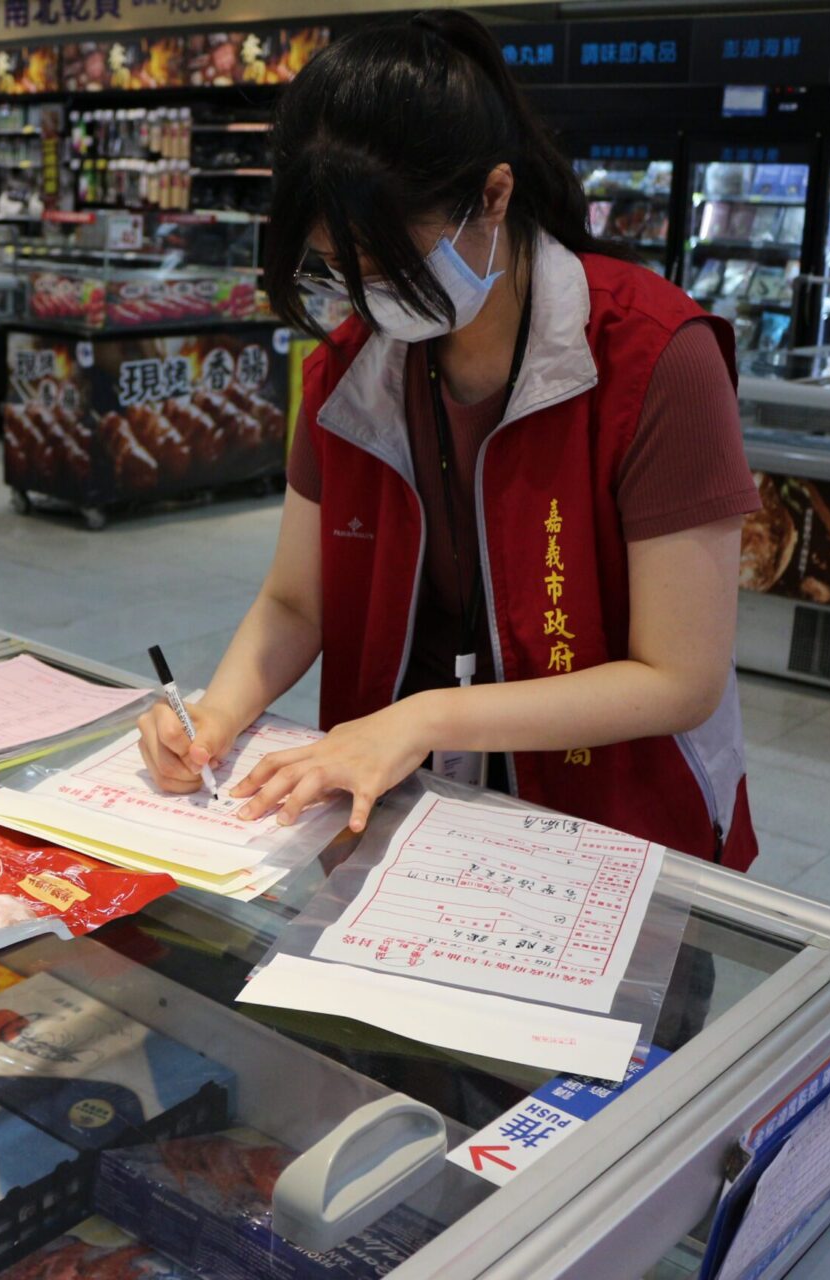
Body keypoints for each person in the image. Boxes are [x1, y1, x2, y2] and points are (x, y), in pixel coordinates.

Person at [136, 9, 762, 871]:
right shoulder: (350, 373)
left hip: (614, 831)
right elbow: (295, 602)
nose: (370, 298)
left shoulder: (655, 357)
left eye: (395, 264)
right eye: (339, 268)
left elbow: (679, 677)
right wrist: (215, 715)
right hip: (396, 820)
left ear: (493, 197)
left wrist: (425, 717)